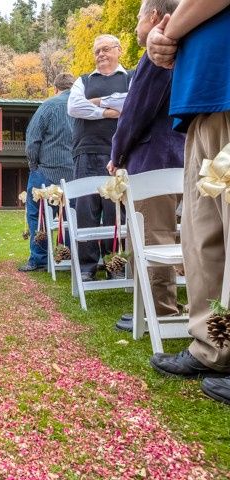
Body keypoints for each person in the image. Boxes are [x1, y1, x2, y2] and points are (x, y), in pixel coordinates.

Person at [145, 0, 230, 405]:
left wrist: (168, 31)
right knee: (202, 239)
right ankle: (213, 347)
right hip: (200, 103)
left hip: (225, 87)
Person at [107, 0, 184, 332]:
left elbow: (135, 112)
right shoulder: (183, 48)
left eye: (139, 17)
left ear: (153, 16)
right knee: (173, 235)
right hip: (179, 155)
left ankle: (161, 311)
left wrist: (117, 153)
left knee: (154, 237)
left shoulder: (156, 54)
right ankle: (155, 308)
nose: (138, 25)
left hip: (155, 158)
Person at [68, 34, 133, 282]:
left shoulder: (130, 79)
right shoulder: (82, 81)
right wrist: (109, 111)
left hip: (120, 152)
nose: (101, 54)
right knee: (86, 208)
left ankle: (115, 261)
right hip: (86, 151)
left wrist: (96, 103)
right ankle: (87, 265)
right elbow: (74, 107)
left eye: (106, 49)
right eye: (97, 51)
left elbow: (130, 103)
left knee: (116, 210)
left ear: (118, 50)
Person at [19, 73, 75, 272]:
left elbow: (32, 139)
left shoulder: (48, 106)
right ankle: (69, 255)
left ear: (55, 88)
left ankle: (39, 258)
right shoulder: (83, 106)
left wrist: (34, 166)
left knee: (37, 214)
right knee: (70, 215)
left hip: (46, 171)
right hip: (75, 173)